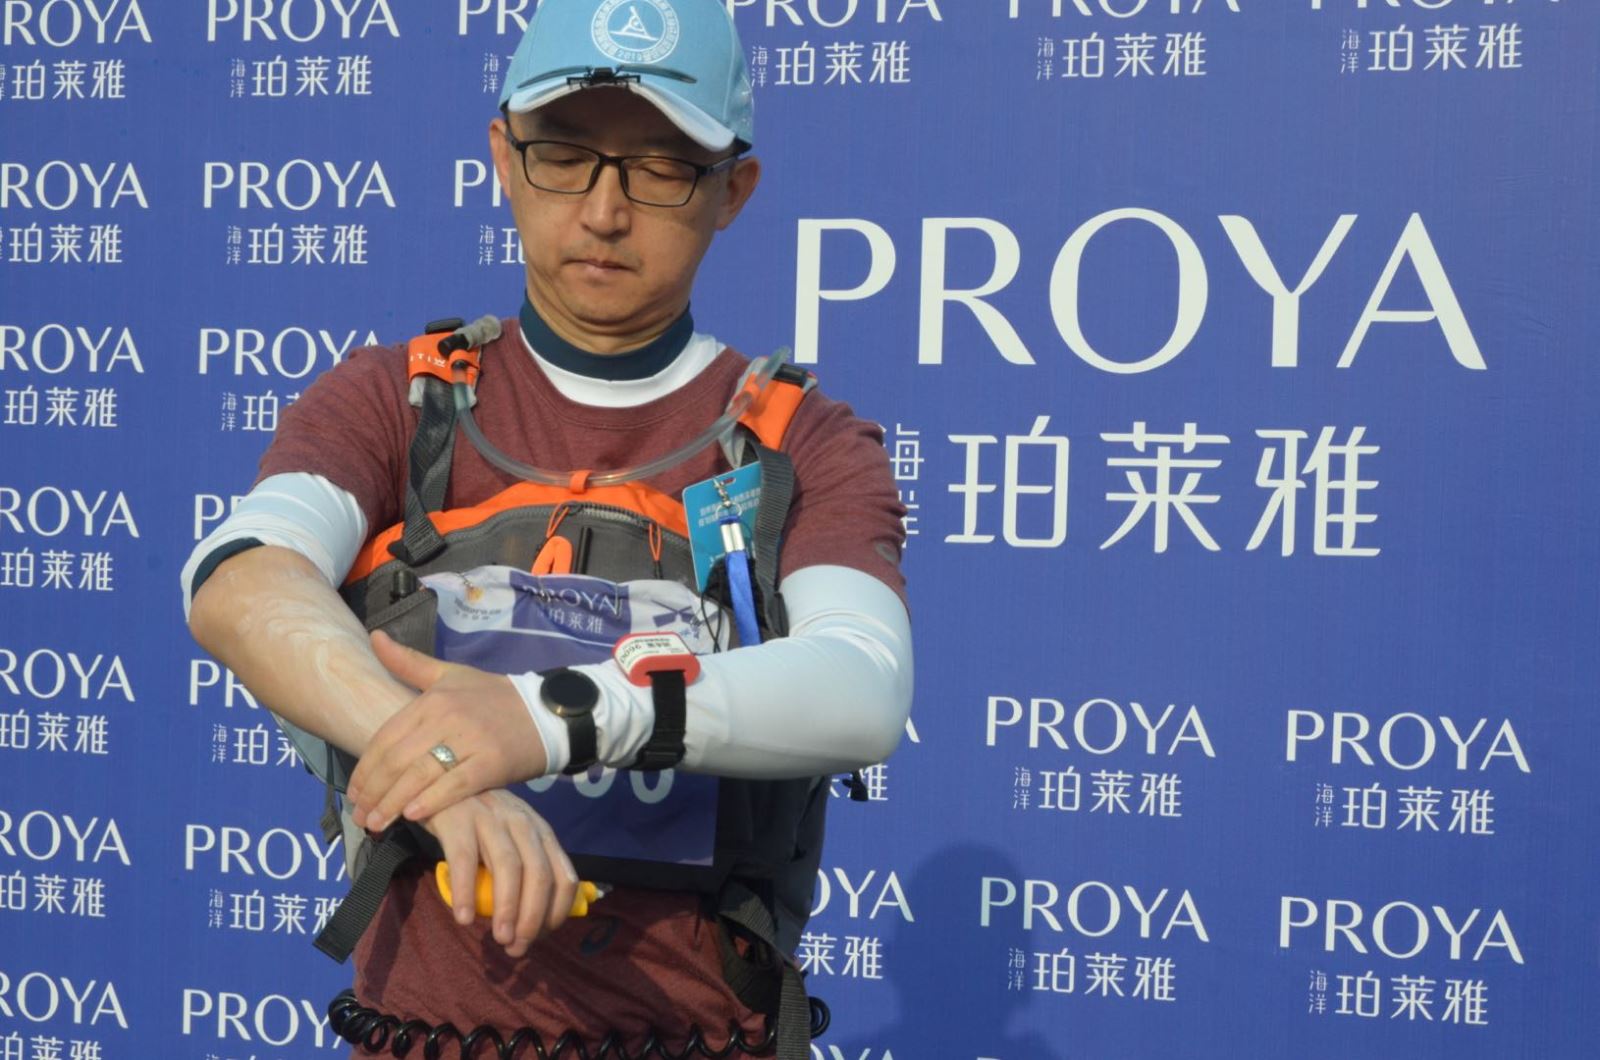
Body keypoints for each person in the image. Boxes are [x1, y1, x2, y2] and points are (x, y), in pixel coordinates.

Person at [182, 0, 913, 1056]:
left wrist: (549, 719)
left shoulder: (806, 443)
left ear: (733, 191)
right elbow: (238, 577)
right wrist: (439, 759)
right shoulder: (394, 401)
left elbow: (863, 684)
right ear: (503, 158)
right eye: (564, 155)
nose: (604, 211)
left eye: (660, 167)